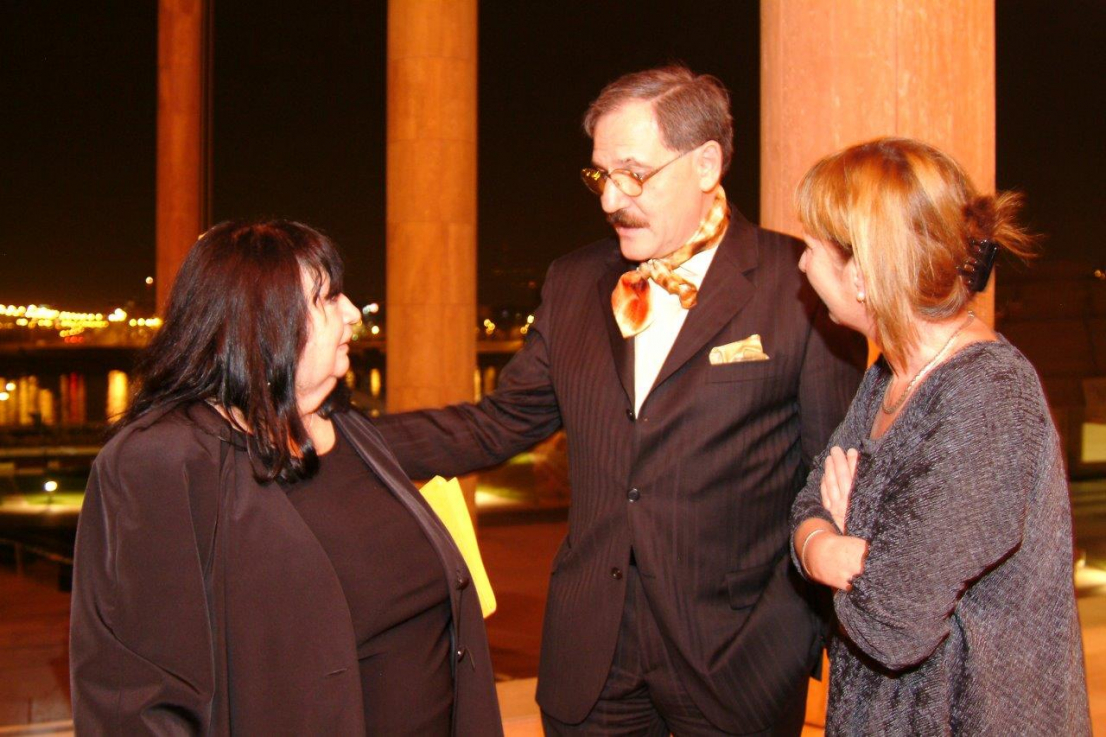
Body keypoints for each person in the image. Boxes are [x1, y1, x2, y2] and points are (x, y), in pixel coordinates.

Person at [374, 65, 866, 735]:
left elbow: (834, 476)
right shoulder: (575, 283)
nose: (610, 199)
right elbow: (498, 424)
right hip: (593, 661)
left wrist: (794, 642)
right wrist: (338, 438)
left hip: (738, 666)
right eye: (601, 175)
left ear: (706, 164)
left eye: (633, 174)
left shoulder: (800, 284)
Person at [69, 221, 502, 736]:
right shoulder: (160, 465)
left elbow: (479, 431)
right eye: (329, 297)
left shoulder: (350, 431)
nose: (352, 312)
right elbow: (139, 701)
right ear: (262, 323)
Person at [790, 137, 1090, 735]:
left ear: (864, 275)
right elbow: (807, 503)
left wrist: (845, 535)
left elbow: (892, 621)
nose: (801, 264)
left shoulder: (988, 397)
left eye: (814, 247)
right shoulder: (891, 374)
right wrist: (827, 546)